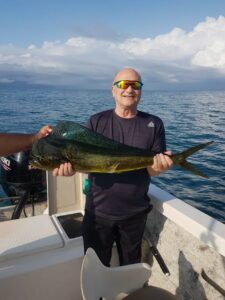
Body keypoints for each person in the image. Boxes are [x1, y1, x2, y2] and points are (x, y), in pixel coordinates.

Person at [54, 67, 173, 266]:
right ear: (113, 90)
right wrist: (72, 168)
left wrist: (160, 167)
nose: (129, 89)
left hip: (135, 214)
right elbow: (89, 163)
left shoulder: (154, 123)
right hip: (97, 213)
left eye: (135, 85)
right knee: (95, 268)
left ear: (141, 91)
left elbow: (151, 169)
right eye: (123, 84)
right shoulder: (96, 121)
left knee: (130, 267)